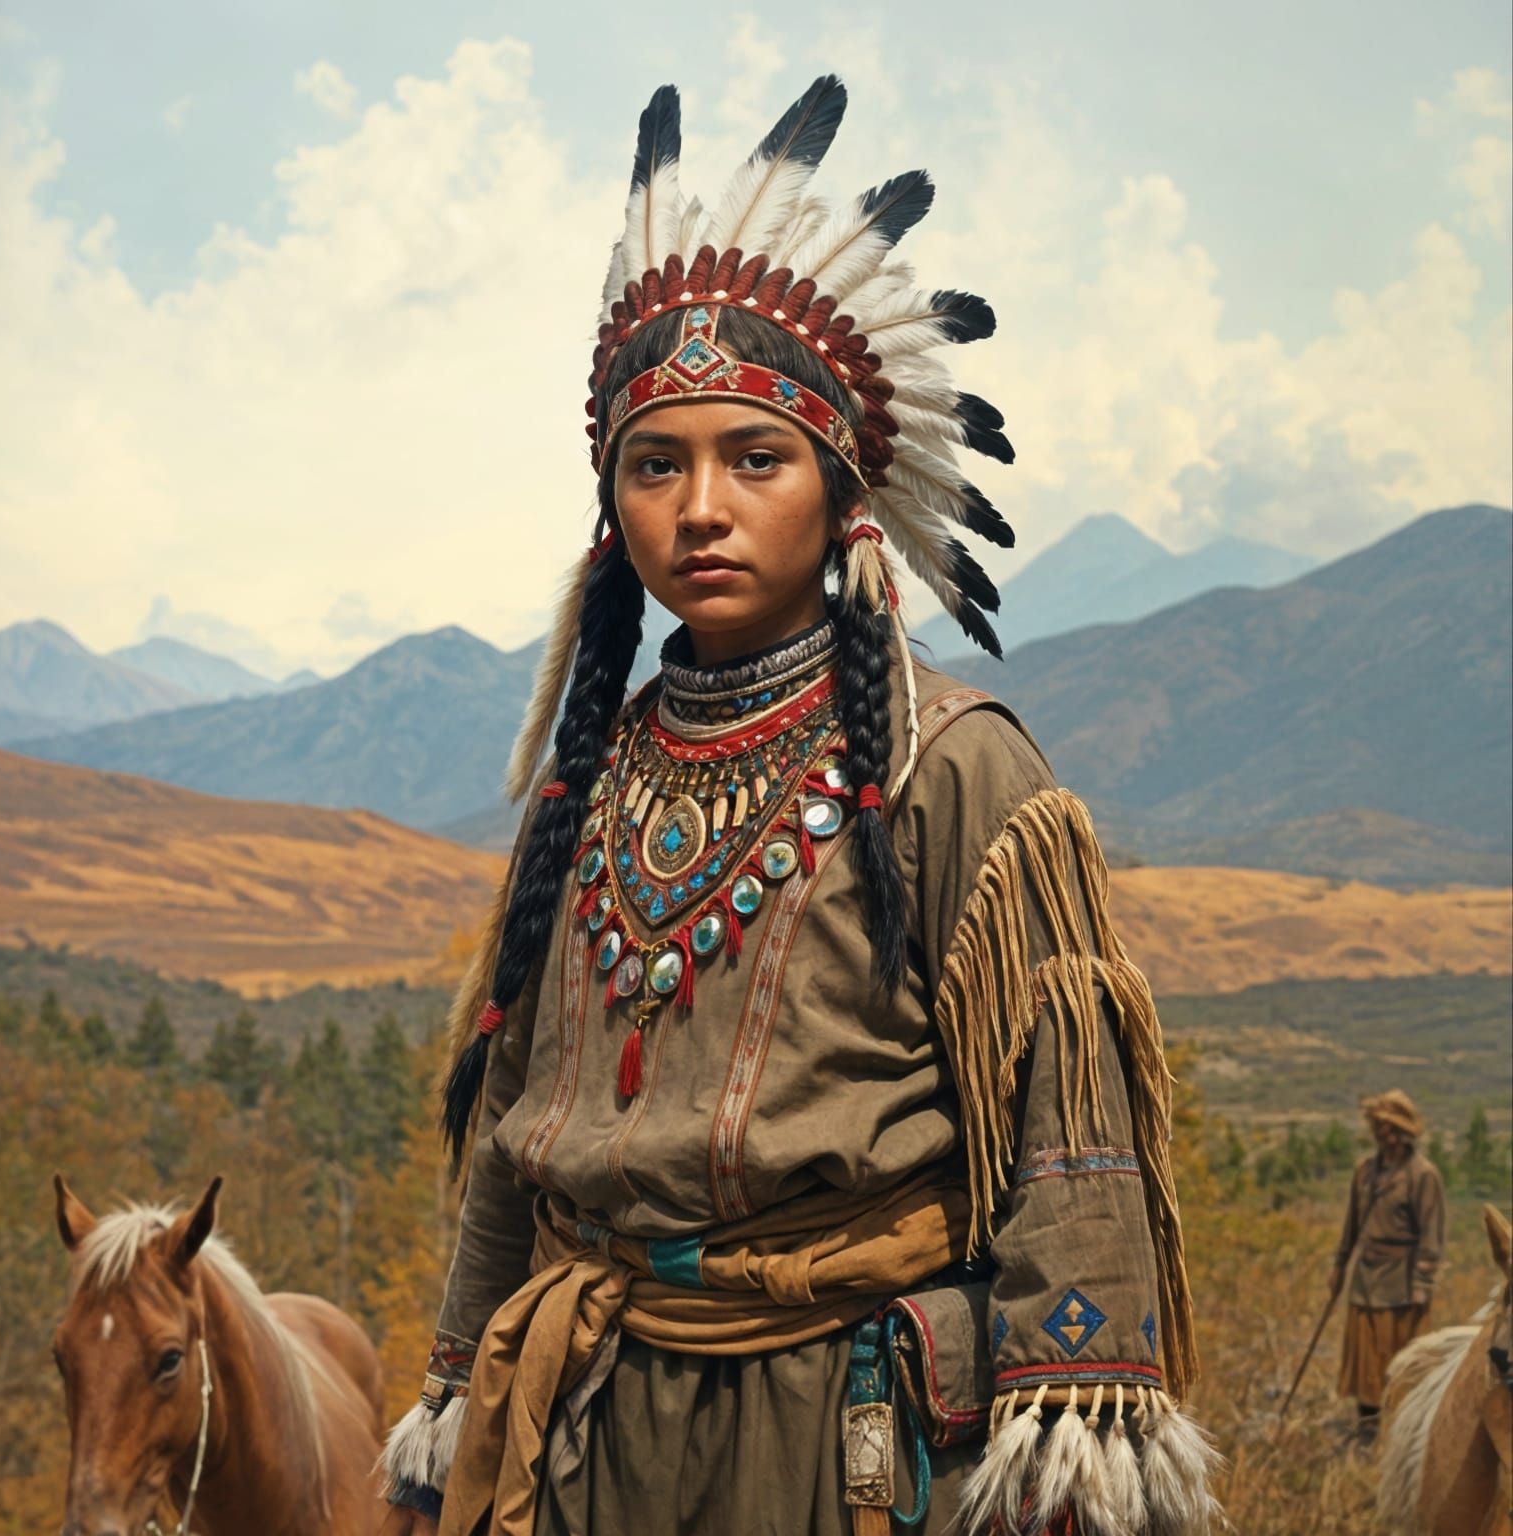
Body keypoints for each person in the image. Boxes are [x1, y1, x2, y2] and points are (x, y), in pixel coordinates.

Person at [379, 76, 1219, 1536]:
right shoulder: (587, 787)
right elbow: (515, 1127)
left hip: (841, 1432)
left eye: (752, 459)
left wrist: (1068, 1452)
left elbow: (1066, 1133)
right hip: (583, 1426)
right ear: (613, 509)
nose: (698, 507)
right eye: (656, 466)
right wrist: (457, 1397)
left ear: (843, 501)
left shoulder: (954, 766)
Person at [1332, 1089, 1445, 1439]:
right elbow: (1352, 1224)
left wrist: (1422, 1284)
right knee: (1366, 1359)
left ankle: (1404, 1430)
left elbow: (1431, 1233)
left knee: (1400, 1359)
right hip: (1366, 1280)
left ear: (1405, 1131)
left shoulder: (1422, 1175)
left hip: (1402, 1282)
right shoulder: (1365, 1171)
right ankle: (1368, 1427)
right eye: (1379, 1128)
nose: (1385, 1136)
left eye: (1391, 1128)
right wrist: (1340, 1265)